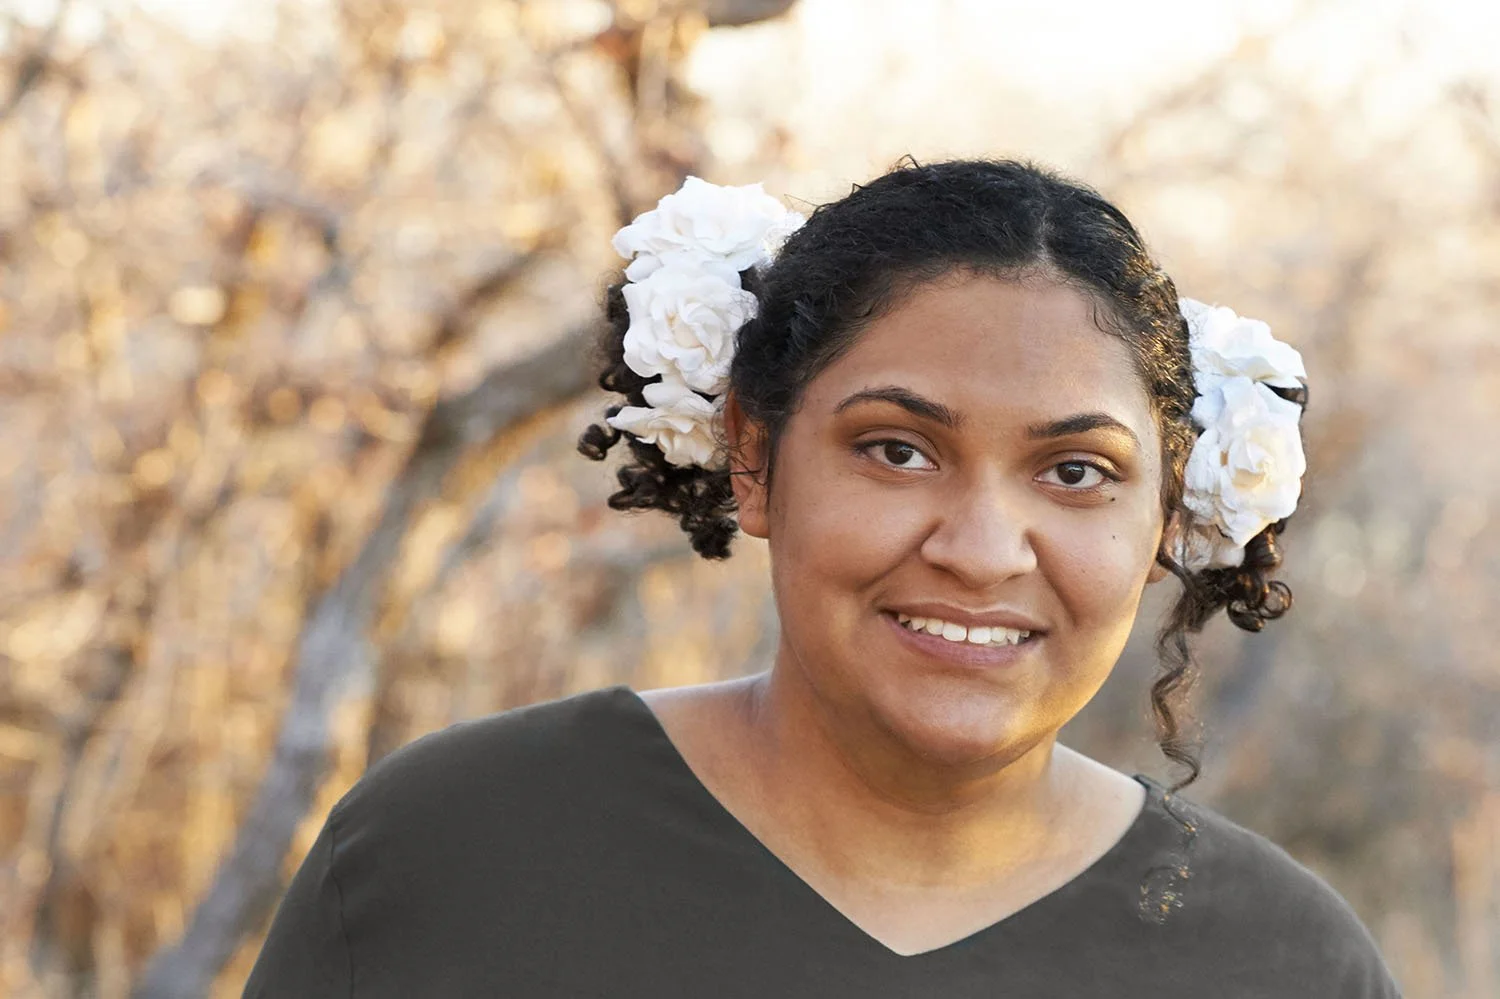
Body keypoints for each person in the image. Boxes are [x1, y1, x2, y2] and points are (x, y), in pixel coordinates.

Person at [243, 159, 1404, 997]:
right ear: (754, 457)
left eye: (1074, 471)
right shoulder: (452, 850)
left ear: (1168, 512)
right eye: (899, 449)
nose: (983, 546)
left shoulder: (1283, 965)